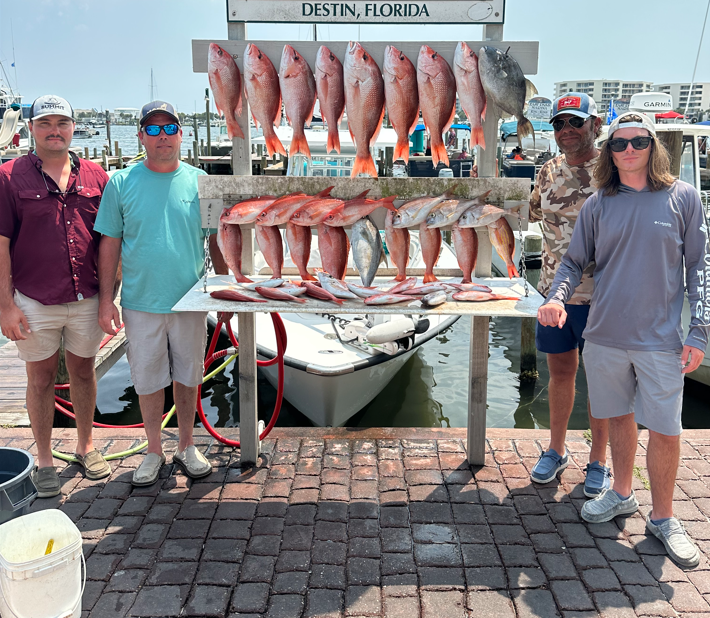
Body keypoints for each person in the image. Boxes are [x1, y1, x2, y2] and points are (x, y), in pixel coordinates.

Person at [538, 112, 709, 567]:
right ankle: (621, 493)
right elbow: (574, 262)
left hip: (661, 340)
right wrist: (556, 296)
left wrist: (699, 331)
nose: (629, 150)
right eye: (619, 144)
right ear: (609, 152)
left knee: (667, 429)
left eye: (638, 142)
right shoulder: (598, 203)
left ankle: (665, 517)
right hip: (605, 335)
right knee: (617, 417)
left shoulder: (684, 198)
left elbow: (700, 270)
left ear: (654, 146)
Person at [95, 100, 225, 487]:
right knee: (148, 379)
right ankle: (153, 449)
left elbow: (217, 240)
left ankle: (186, 445)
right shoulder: (120, 183)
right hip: (140, 301)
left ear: (181, 134)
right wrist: (106, 299)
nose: (162, 136)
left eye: (169, 128)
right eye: (153, 129)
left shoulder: (204, 182)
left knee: (189, 375)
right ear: (141, 136)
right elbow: (109, 245)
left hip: (192, 300)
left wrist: (226, 292)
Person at [0, 95, 111, 497]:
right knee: (40, 377)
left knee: (84, 370)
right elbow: (1, 242)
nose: (54, 131)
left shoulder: (98, 177)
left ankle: (86, 446)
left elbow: (108, 241)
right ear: (31, 128)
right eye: (45, 123)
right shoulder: (10, 176)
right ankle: (45, 459)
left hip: (86, 295)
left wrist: (108, 298)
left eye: (62, 123)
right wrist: (5, 306)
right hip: (32, 298)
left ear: (72, 127)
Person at [528, 93, 611, 497]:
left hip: (604, 297)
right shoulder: (547, 171)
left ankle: (599, 461)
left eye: (575, 122)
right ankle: (556, 449)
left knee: (602, 381)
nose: (566, 130)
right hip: (554, 298)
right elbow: (529, 211)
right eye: (559, 123)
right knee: (560, 375)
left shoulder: (613, 170)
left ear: (594, 123)